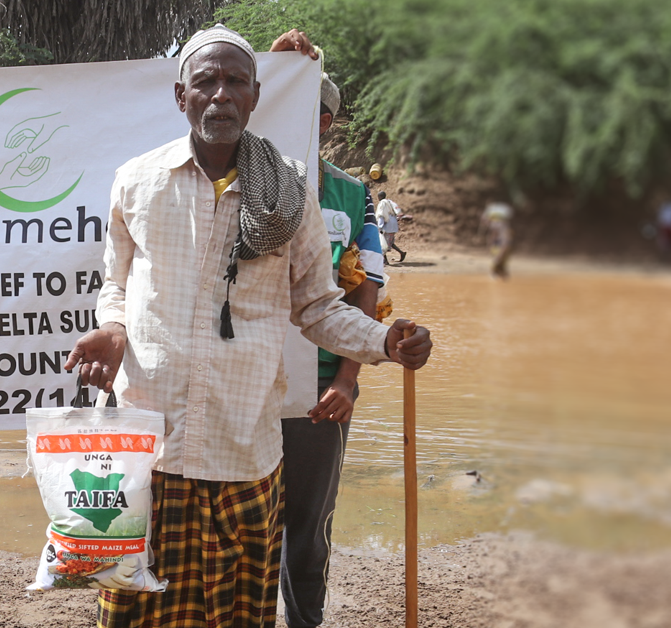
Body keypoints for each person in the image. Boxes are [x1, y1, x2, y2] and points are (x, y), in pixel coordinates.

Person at [64, 24, 432, 628]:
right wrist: (112, 328)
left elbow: (317, 306)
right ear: (179, 96)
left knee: (237, 616)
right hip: (150, 445)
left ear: (256, 95)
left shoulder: (289, 190)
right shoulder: (138, 181)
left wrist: (384, 341)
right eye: (205, 81)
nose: (220, 95)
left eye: (235, 81)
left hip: (244, 450)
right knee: (135, 612)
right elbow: (116, 284)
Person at [266, 31, 385, 628]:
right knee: (241, 519)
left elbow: (365, 289)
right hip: (249, 380)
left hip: (318, 388)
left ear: (326, 120)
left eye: (308, 108)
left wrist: (348, 379)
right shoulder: (241, 173)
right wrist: (275, 61)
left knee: (308, 529)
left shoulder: (353, 195)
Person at [480, 202, 513, 279]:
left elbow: (505, 241)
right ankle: (497, 272)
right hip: (499, 241)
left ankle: (498, 272)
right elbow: (485, 222)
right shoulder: (497, 224)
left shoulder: (500, 226)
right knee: (497, 259)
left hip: (501, 241)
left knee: (499, 260)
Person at [376, 190, 406, 264]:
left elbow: (381, 215)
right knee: (390, 242)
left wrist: (380, 227)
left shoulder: (382, 203)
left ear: (380, 197)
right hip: (393, 223)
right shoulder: (389, 202)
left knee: (382, 242)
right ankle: (401, 253)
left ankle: (385, 261)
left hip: (387, 225)